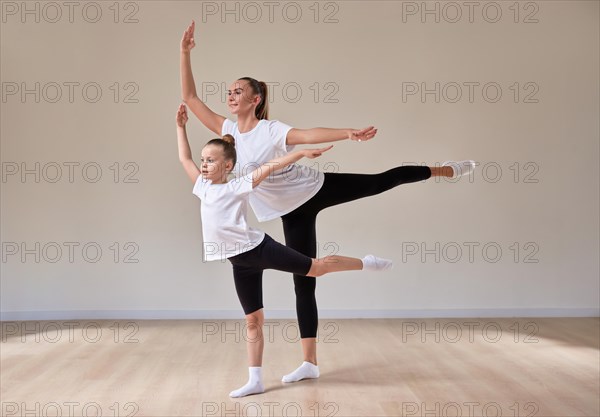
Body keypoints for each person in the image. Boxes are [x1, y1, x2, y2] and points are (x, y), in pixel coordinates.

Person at [179, 20, 476, 386]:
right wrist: (185, 53)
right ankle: (310, 363)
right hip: (289, 211)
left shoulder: (270, 130)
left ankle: (443, 170)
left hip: (314, 188)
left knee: (382, 181)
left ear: (255, 99)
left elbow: (307, 134)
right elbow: (191, 100)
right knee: (304, 280)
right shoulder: (226, 133)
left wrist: (347, 134)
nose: (231, 95)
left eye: (238, 91)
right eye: (229, 91)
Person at [176, 103, 393, 397]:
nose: (203, 165)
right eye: (204, 160)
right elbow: (184, 157)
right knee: (253, 320)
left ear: (227, 166)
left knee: (315, 267)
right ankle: (255, 380)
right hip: (239, 262)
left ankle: (366, 263)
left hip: (259, 248)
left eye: (211, 161)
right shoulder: (202, 186)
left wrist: (299, 153)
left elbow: (269, 167)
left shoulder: (238, 185)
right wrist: (181, 127)